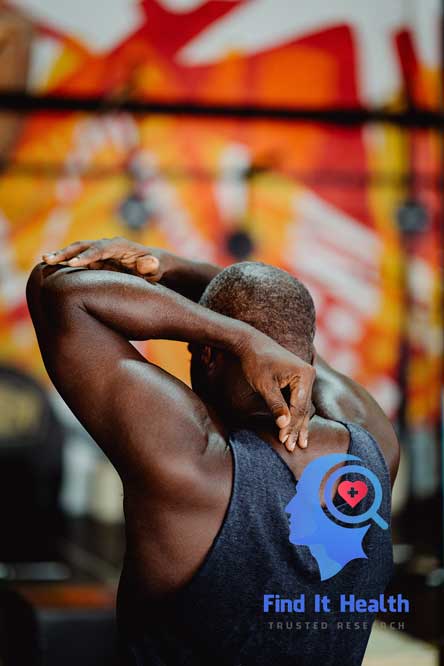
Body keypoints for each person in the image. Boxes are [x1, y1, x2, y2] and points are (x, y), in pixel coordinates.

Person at [27, 237, 399, 666]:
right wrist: (188, 274)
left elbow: (58, 288)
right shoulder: (375, 446)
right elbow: (298, 343)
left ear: (205, 354)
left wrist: (237, 337)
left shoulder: (192, 461)